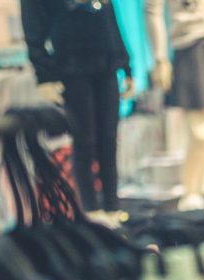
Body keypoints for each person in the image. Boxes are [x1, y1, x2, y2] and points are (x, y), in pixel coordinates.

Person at [21, 0, 134, 213]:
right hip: (71, 67)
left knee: (109, 139)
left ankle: (112, 207)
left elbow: (109, 17)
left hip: (106, 65)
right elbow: (33, 30)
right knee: (84, 141)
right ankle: (90, 210)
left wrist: (126, 65)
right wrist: (44, 76)